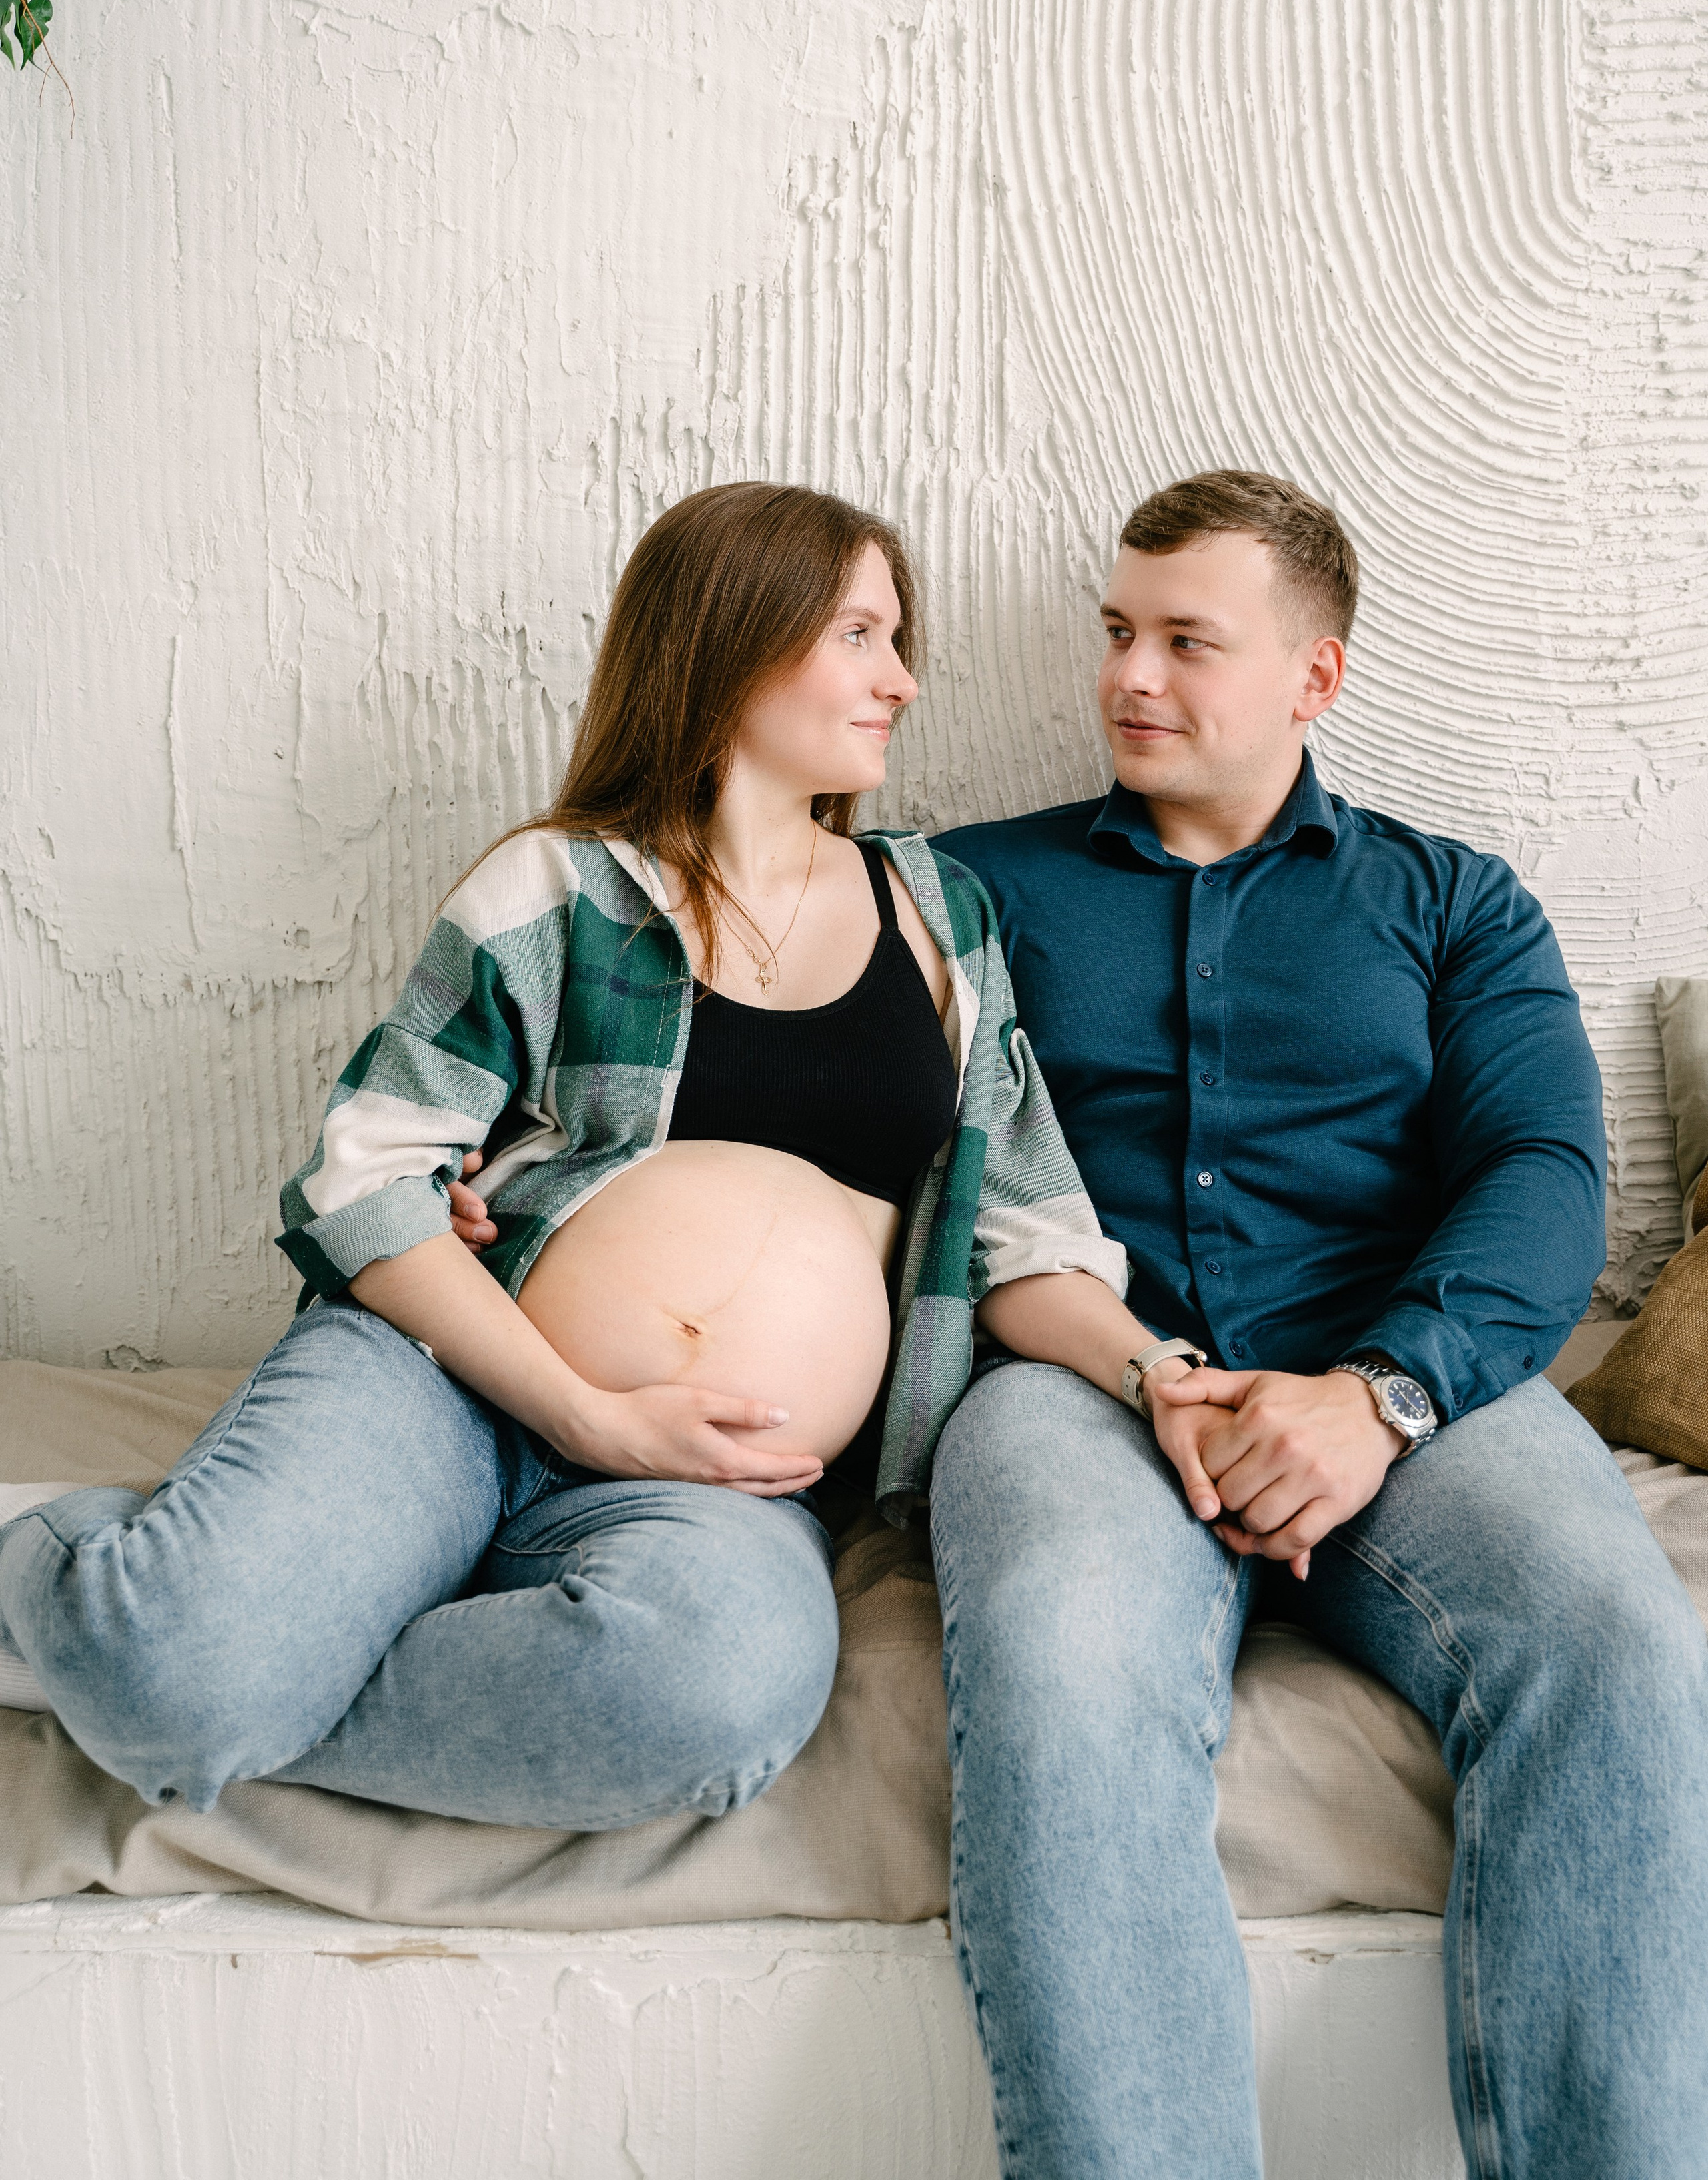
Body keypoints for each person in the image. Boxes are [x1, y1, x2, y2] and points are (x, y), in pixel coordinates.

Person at [0, 481, 1140, 1828]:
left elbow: (1027, 1230)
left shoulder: (939, 916)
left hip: (718, 1484)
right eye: (857, 635)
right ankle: (112, 1610)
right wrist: (582, 1409)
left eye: (897, 643)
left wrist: (1159, 1374)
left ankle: (213, 1674)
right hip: (451, 1391)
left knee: (712, 1699)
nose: (898, 680)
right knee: (179, 1668)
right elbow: (366, 1176)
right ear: (731, 639)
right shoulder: (558, 888)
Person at [929, 469, 1708, 2180]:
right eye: (1115, 633)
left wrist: (1380, 1394)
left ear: (1313, 674)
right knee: (1064, 1655)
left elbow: (1539, 1174)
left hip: (1407, 1373)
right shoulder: (962, 896)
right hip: (1080, 1384)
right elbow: (740, 1014)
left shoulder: (1453, 901)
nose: (1129, 676)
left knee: (1622, 1645)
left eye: (1184, 641)